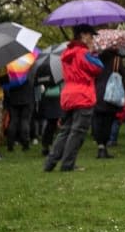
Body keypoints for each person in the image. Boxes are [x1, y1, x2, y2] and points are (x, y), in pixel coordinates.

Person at [44, 25, 103, 172]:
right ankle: (68, 164)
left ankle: (50, 162)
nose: (92, 38)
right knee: (78, 132)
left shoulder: (67, 52)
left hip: (68, 94)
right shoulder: (83, 52)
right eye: (91, 35)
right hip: (83, 95)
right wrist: (92, 52)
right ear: (83, 35)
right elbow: (98, 68)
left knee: (65, 130)